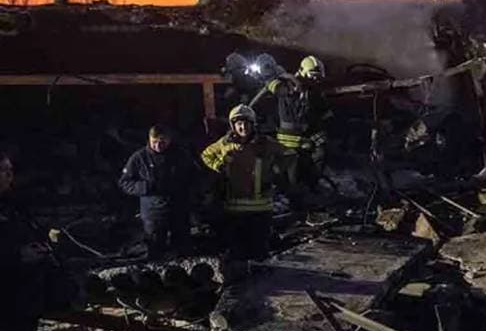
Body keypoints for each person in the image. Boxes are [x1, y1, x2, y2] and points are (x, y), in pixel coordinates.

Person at [201, 104, 285, 260]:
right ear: (233, 126)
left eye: (246, 123)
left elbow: (288, 154)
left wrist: (275, 172)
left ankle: (262, 280)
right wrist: (219, 164)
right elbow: (206, 155)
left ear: (253, 124)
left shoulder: (265, 143)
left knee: (259, 250)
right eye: (239, 124)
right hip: (234, 207)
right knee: (237, 249)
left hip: (260, 207)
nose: (243, 127)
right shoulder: (225, 143)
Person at [0, 151, 47, 331]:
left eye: (10, 170)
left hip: (21, 292)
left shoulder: (12, 205)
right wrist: (18, 256)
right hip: (6, 295)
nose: (9, 176)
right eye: (3, 171)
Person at [253, 56, 330, 199]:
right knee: (292, 177)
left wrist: (320, 133)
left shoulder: (312, 90)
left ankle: (311, 186)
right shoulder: (287, 85)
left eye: (318, 78)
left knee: (320, 153)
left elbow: (323, 114)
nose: (316, 80)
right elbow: (268, 87)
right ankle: (290, 194)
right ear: (302, 72)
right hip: (288, 139)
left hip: (305, 135)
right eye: (313, 76)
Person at [118, 125, 199, 259]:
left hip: (178, 209)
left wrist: (190, 193)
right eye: (154, 142)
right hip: (153, 212)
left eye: (162, 142)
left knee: (183, 249)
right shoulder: (139, 158)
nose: (158, 145)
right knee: (155, 250)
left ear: (169, 140)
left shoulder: (181, 155)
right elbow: (125, 182)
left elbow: (195, 177)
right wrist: (145, 187)